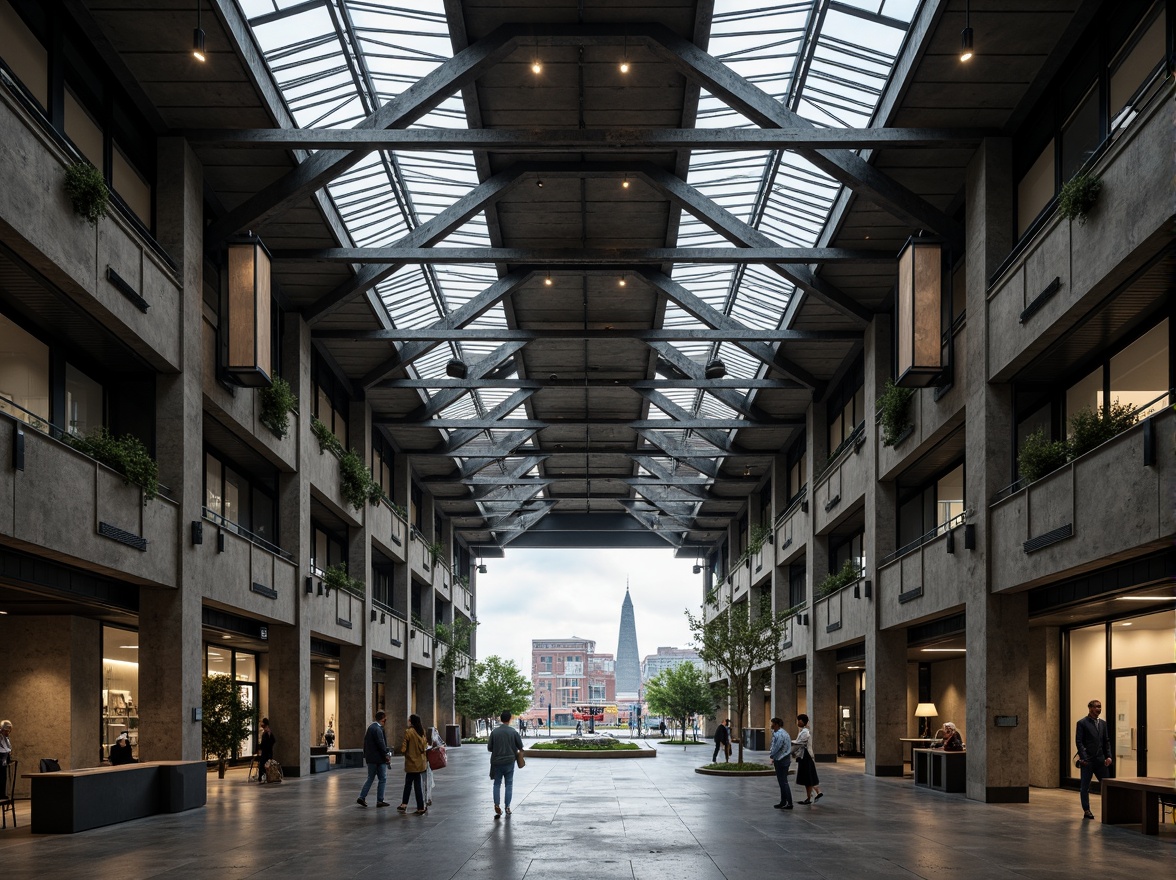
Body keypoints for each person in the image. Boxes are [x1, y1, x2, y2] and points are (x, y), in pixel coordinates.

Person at [1075, 699, 1112, 820]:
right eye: (1096, 707)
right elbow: (1079, 742)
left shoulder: (1103, 724)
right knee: (1085, 786)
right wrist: (1083, 757)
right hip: (1088, 761)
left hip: (1100, 760)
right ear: (1090, 708)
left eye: (1100, 707)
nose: (1099, 709)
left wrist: (1108, 756)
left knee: (1106, 785)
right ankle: (1086, 810)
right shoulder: (1082, 723)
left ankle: (1109, 809)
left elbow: (1106, 741)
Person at [488, 709, 524, 818]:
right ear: (510, 719)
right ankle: (507, 807)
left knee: (496, 784)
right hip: (509, 762)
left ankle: (496, 804)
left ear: (500, 718)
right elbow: (520, 746)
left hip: (497, 762)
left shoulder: (495, 732)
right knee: (509, 784)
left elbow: (490, 748)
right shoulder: (513, 732)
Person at [357, 710, 391, 808]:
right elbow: (381, 743)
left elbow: (365, 743)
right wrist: (386, 754)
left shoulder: (370, 728)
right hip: (379, 759)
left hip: (370, 758)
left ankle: (362, 797)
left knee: (370, 778)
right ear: (382, 718)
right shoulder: (378, 729)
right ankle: (380, 800)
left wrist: (366, 755)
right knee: (382, 779)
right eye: (385, 718)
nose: (386, 720)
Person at [398, 714, 429, 815]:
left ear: (411, 721)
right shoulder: (422, 731)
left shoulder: (409, 732)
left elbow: (403, 748)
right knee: (416, 785)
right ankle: (407, 804)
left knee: (408, 784)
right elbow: (424, 746)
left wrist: (404, 752)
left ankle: (413, 806)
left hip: (411, 763)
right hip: (420, 763)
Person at [793, 714, 823, 804]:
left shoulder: (805, 732)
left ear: (802, 721)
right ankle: (813, 795)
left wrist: (790, 747)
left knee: (808, 777)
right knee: (808, 777)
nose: (797, 722)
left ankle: (812, 796)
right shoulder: (803, 731)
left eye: (799, 720)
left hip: (806, 757)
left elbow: (799, 743)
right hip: (804, 756)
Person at [768, 717, 793, 809]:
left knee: (783, 782)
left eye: (772, 723)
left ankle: (789, 802)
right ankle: (783, 801)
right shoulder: (784, 733)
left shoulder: (779, 734)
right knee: (783, 781)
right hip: (785, 759)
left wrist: (772, 755)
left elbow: (776, 746)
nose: (771, 725)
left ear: (777, 724)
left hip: (781, 759)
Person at [424, 725, 445, 807]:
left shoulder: (428, 741)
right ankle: (428, 798)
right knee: (427, 782)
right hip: (427, 765)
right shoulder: (430, 742)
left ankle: (427, 798)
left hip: (425, 764)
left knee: (425, 782)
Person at [257, 717, 276, 784]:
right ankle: (266, 777)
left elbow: (265, 742)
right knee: (266, 764)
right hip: (268, 751)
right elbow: (273, 741)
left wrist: (262, 747)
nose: (261, 724)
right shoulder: (268, 731)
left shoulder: (266, 732)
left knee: (262, 764)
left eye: (262, 722)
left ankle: (261, 777)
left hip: (266, 752)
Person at [1, 720, 13, 794]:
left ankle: (2, 794)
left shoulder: (6, 738)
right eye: (6, 731)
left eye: (9, 731)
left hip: (3, 762)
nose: (8, 733)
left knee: (3, 778)